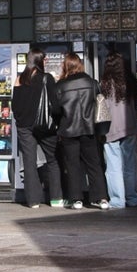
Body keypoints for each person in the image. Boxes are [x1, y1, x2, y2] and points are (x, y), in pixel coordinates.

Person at [55, 51, 109, 210]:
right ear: (80, 64)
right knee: (94, 164)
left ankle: (76, 199)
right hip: (89, 129)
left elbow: (56, 111)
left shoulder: (60, 86)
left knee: (72, 166)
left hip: (69, 130)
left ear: (65, 66)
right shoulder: (92, 83)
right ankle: (101, 198)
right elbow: (100, 104)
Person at [11, 49, 63, 209]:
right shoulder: (47, 78)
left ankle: (33, 200)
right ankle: (56, 198)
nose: (46, 62)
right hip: (45, 126)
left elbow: (14, 105)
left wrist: (20, 121)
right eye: (45, 60)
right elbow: (55, 105)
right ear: (41, 61)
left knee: (29, 161)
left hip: (24, 126)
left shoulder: (19, 79)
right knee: (53, 160)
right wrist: (58, 121)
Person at [99, 52, 137, 208]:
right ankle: (132, 198)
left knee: (113, 167)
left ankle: (117, 200)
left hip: (110, 129)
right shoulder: (130, 82)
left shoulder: (104, 85)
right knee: (130, 165)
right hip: (129, 127)